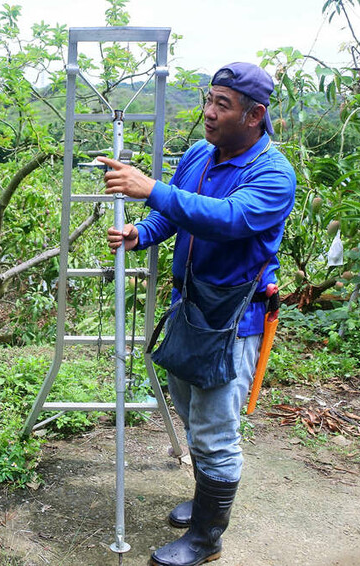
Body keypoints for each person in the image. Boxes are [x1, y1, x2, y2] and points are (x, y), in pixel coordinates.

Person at [98, 62, 296, 566]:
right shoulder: (198, 157)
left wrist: (151, 189)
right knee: (190, 411)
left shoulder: (272, 174)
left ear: (255, 116)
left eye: (221, 105)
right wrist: (142, 232)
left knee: (214, 430)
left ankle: (207, 538)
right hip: (189, 307)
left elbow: (228, 220)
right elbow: (176, 212)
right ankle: (207, 501)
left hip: (232, 321)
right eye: (209, 100)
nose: (208, 113)